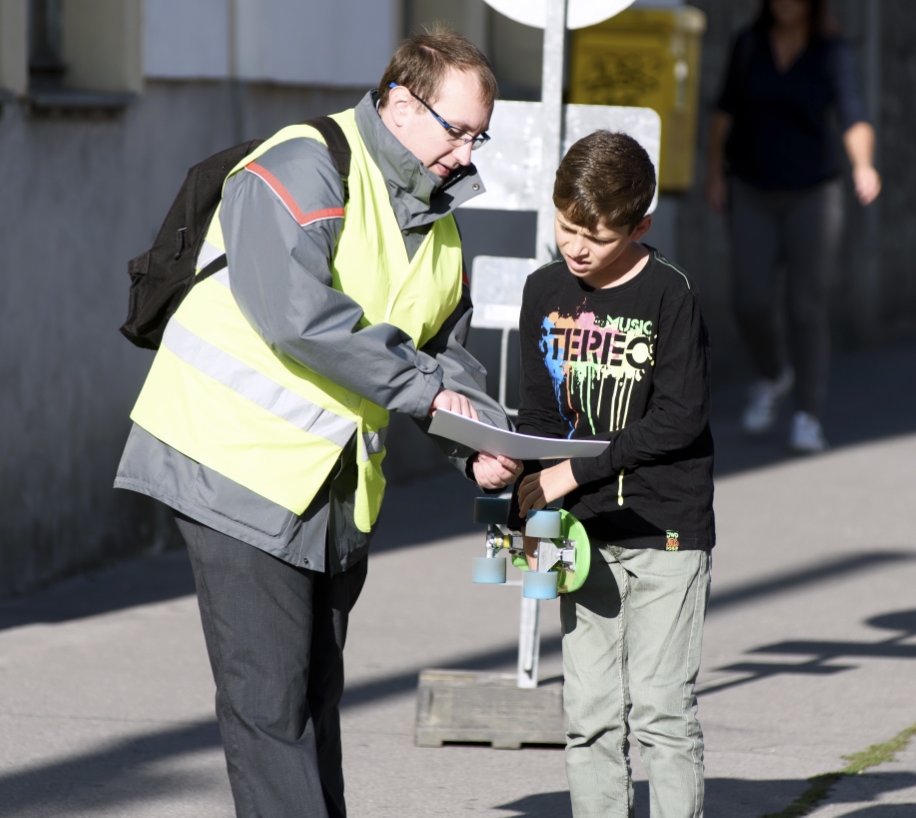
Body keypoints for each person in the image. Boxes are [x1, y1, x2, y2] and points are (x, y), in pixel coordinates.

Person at [114, 26, 521, 818]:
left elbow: (444, 352)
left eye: (480, 137)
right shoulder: (302, 164)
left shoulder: (436, 220)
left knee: (311, 700)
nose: (469, 155)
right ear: (402, 102)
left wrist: (482, 442)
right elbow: (299, 319)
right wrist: (428, 395)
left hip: (330, 487)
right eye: (459, 131)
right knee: (269, 707)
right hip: (231, 461)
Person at [513, 131, 715, 818]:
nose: (574, 247)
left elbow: (678, 421)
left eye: (594, 237)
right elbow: (536, 415)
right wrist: (519, 495)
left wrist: (572, 472)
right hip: (582, 534)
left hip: (664, 531)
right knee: (589, 715)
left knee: (660, 712)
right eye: (566, 227)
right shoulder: (544, 290)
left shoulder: (670, 295)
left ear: (639, 227)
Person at [706, 0, 881, 453]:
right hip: (750, 188)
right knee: (749, 299)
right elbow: (724, 113)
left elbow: (854, 113)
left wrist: (864, 166)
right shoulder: (748, 45)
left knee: (806, 306)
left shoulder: (831, 50)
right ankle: (773, 374)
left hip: (813, 193)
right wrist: (712, 176)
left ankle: (808, 414)